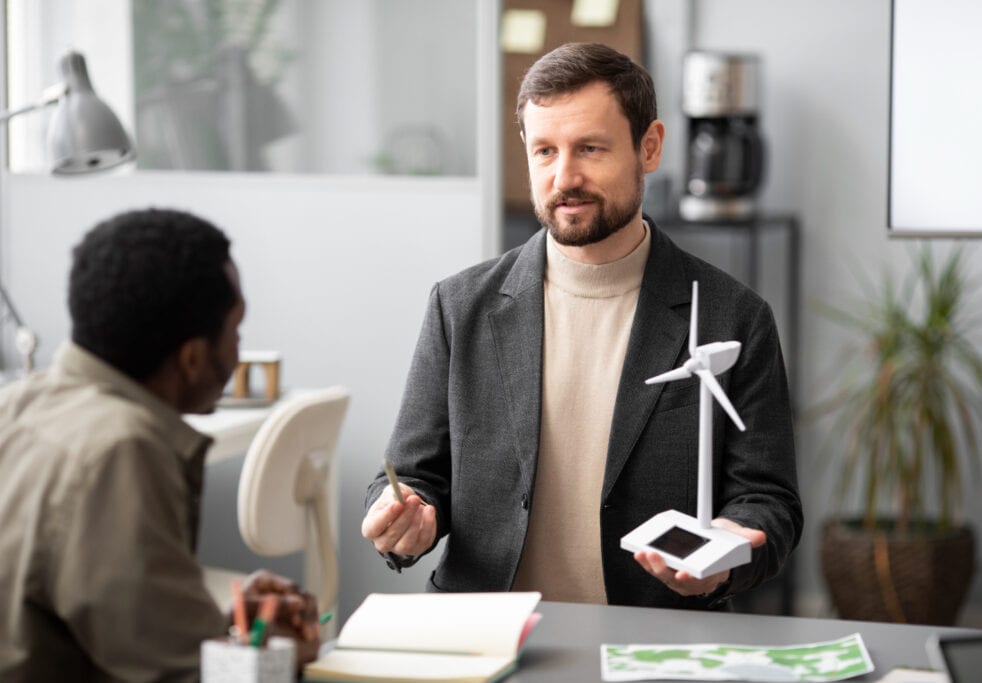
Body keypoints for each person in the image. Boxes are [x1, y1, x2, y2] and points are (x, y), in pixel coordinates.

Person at [362, 43, 801, 610]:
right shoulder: (460, 306)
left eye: (589, 149)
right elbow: (412, 478)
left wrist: (731, 553)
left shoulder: (732, 317)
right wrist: (405, 517)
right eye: (544, 151)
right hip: (486, 632)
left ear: (650, 147)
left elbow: (768, 501)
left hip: (653, 636)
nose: (564, 177)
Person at [0, 209, 319, 682]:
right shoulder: (121, 452)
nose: (238, 349)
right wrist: (282, 656)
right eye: (236, 331)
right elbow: (187, 676)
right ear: (192, 357)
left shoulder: (18, 403)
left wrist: (211, 619)